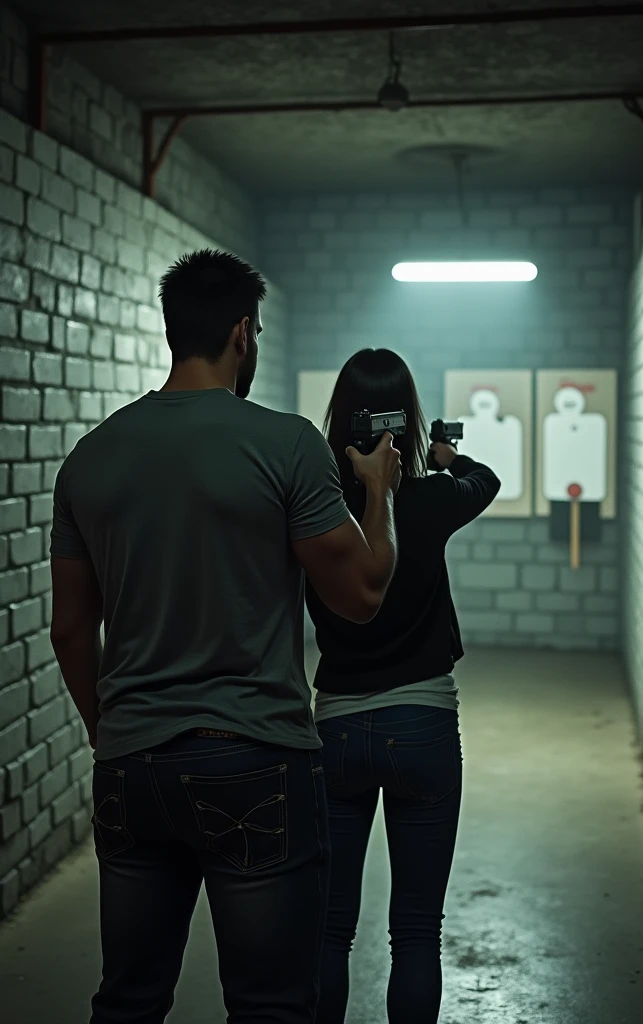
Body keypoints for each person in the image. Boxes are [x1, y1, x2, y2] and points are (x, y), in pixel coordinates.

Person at [49, 249, 401, 1024]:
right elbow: (362, 594)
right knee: (271, 1005)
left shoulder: (90, 456)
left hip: (130, 764)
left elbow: (71, 628)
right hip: (257, 760)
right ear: (243, 333)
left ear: (177, 331)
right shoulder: (284, 444)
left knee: (129, 1001)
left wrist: (111, 731)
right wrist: (378, 494)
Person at [306, 349, 501, 1024]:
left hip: (332, 729)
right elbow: (488, 480)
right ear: (406, 419)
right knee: (416, 934)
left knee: (329, 932)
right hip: (423, 725)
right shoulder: (430, 496)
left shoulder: (314, 505)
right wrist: (446, 457)